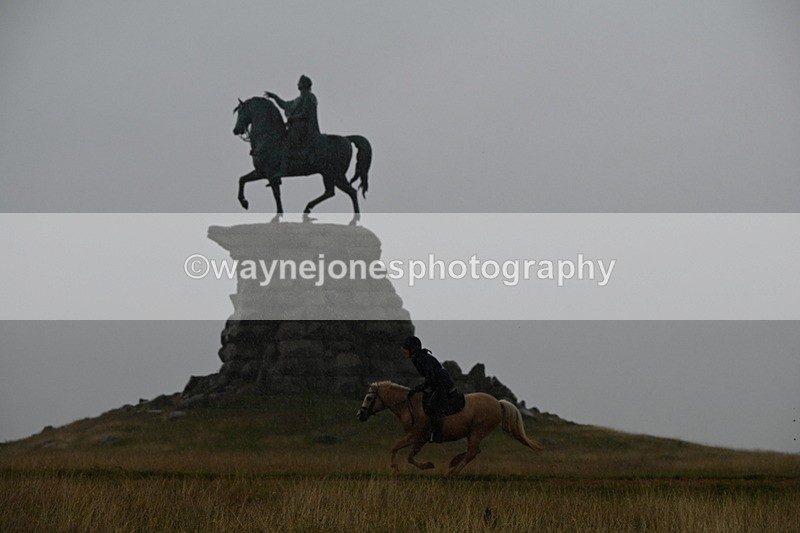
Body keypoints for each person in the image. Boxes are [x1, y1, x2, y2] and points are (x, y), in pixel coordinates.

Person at [402, 336, 460, 443]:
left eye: (406, 348)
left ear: (412, 349)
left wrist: (418, 388)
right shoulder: (417, 358)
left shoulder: (422, 359)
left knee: (432, 406)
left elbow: (431, 378)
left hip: (443, 385)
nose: (403, 351)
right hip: (437, 384)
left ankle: (438, 435)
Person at [264, 75, 321, 178]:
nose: (297, 84)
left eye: (299, 83)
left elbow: (305, 114)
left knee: (286, 143)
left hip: (304, 129)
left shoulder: (309, 97)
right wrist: (274, 97)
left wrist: (292, 118)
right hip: (296, 128)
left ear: (304, 85)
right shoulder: (298, 99)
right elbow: (284, 105)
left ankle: (284, 169)